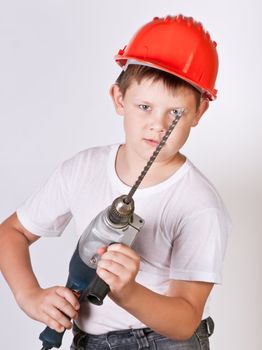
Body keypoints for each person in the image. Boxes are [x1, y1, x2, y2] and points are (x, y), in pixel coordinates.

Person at [0, 15, 231, 350]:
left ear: (199, 112)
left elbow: (185, 320)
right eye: (145, 106)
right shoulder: (83, 169)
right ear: (119, 98)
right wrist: (30, 296)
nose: (158, 125)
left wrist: (129, 291)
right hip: (88, 341)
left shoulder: (199, 203)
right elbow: (11, 232)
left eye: (175, 114)